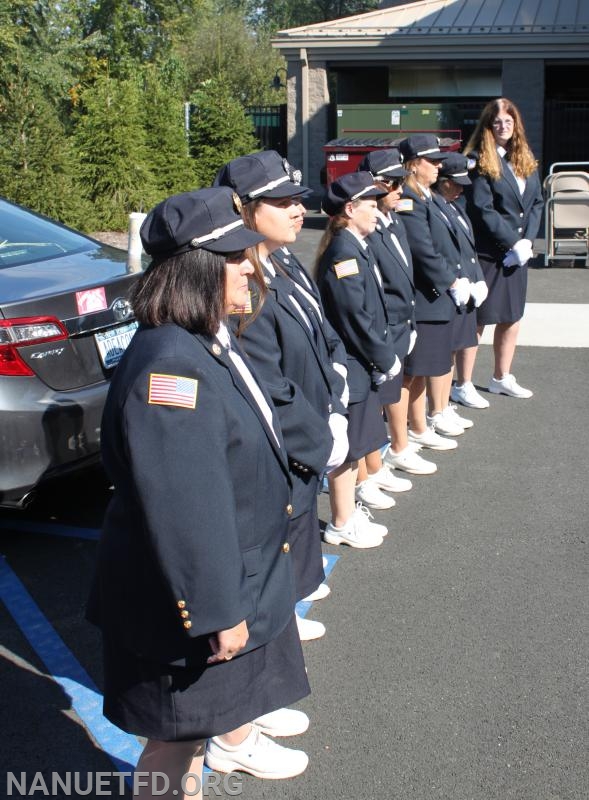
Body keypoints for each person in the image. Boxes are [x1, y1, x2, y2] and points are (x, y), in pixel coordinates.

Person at [86, 187, 311, 799]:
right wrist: (217, 610)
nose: (250, 264)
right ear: (197, 269)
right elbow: (186, 504)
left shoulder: (201, 338)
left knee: (190, 737)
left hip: (202, 590)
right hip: (178, 605)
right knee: (174, 742)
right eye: (234, 256)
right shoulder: (171, 368)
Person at [214, 150, 349, 636]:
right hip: (282, 439)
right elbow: (265, 383)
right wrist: (317, 434)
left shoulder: (282, 261)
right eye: (282, 200)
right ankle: (275, 625)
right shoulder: (242, 283)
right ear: (245, 210)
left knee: (295, 527)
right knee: (274, 535)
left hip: (311, 423)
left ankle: (289, 602)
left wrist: (337, 390)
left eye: (298, 199)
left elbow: (321, 332)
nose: (297, 209)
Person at [315, 171, 399, 547]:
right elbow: (355, 319)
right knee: (346, 450)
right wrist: (385, 357)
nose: (377, 211)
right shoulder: (343, 254)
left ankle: (347, 514)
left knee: (355, 446)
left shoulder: (354, 246)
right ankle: (341, 521)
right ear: (350, 209)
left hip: (361, 362)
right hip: (351, 363)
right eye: (370, 204)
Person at [358, 147, 437, 479]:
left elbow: (404, 273)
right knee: (377, 399)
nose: (399, 190)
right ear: (374, 185)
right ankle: (378, 464)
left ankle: (394, 448)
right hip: (385, 324)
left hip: (403, 320)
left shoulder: (392, 221)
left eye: (399, 182)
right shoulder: (368, 229)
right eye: (391, 184)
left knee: (397, 387)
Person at [463, 97, 543, 399]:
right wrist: (513, 242)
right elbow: (483, 209)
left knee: (512, 316)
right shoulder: (480, 160)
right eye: (497, 121)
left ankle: (501, 377)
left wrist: (526, 242)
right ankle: (464, 384)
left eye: (508, 120)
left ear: (515, 124)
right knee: (479, 319)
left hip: (517, 252)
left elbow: (536, 202)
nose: (503, 125)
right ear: (488, 125)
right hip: (490, 253)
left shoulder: (523, 156)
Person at [396, 134, 467, 448]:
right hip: (425, 297)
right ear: (413, 164)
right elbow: (423, 249)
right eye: (432, 160)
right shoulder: (411, 199)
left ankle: (421, 425)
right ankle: (412, 432)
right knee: (412, 373)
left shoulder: (426, 195)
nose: (439, 165)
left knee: (423, 369)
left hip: (434, 296)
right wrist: (451, 280)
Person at [433, 152, 489, 410]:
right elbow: (433, 251)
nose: (460, 189)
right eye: (454, 183)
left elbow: (468, 250)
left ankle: (444, 404)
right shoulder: (434, 206)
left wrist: (478, 279)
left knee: (454, 350)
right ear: (442, 180)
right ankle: (438, 408)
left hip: (464, 286)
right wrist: (454, 282)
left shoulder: (454, 206)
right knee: (443, 355)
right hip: (447, 290)